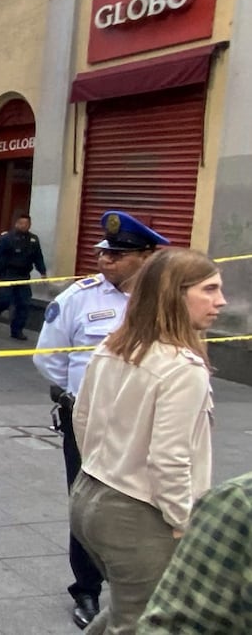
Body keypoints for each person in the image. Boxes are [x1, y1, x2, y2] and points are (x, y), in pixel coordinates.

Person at [69, 248, 226, 634]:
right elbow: (170, 459)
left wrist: (105, 465)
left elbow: (82, 419)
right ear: (175, 294)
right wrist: (183, 523)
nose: (220, 301)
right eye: (209, 290)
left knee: (130, 609)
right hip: (139, 513)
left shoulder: (113, 346)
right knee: (143, 622)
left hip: (91, 496)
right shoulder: (182, 368)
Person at [33, 210, 169, 629]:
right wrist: (78, 396)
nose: (106, 259)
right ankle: (87, 589)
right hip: (87, 420)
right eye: (104, 251)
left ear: (147, 257)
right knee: (86, 500)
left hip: (148, 419)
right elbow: (49, 359)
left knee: (143, 501)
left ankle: (135, 583)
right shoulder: (78, 298)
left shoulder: (166, 299)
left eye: (119, 254)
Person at [138, 470, 252, 634]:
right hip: (139, 504)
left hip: (110, 487)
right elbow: (169, 462)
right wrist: (180, 520)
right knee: (132, 604)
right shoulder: (241, 505)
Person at [0, 213, 47, 340]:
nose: (24, 226)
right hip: (7, 274)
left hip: (23, 276)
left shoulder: (33, 240)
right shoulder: (6, 238)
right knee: (4, 300)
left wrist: (43, 272)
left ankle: (17, 330)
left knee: (24, 303)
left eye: (27, 224)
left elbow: (38, 257)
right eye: (21, 223)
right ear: (16, 224)